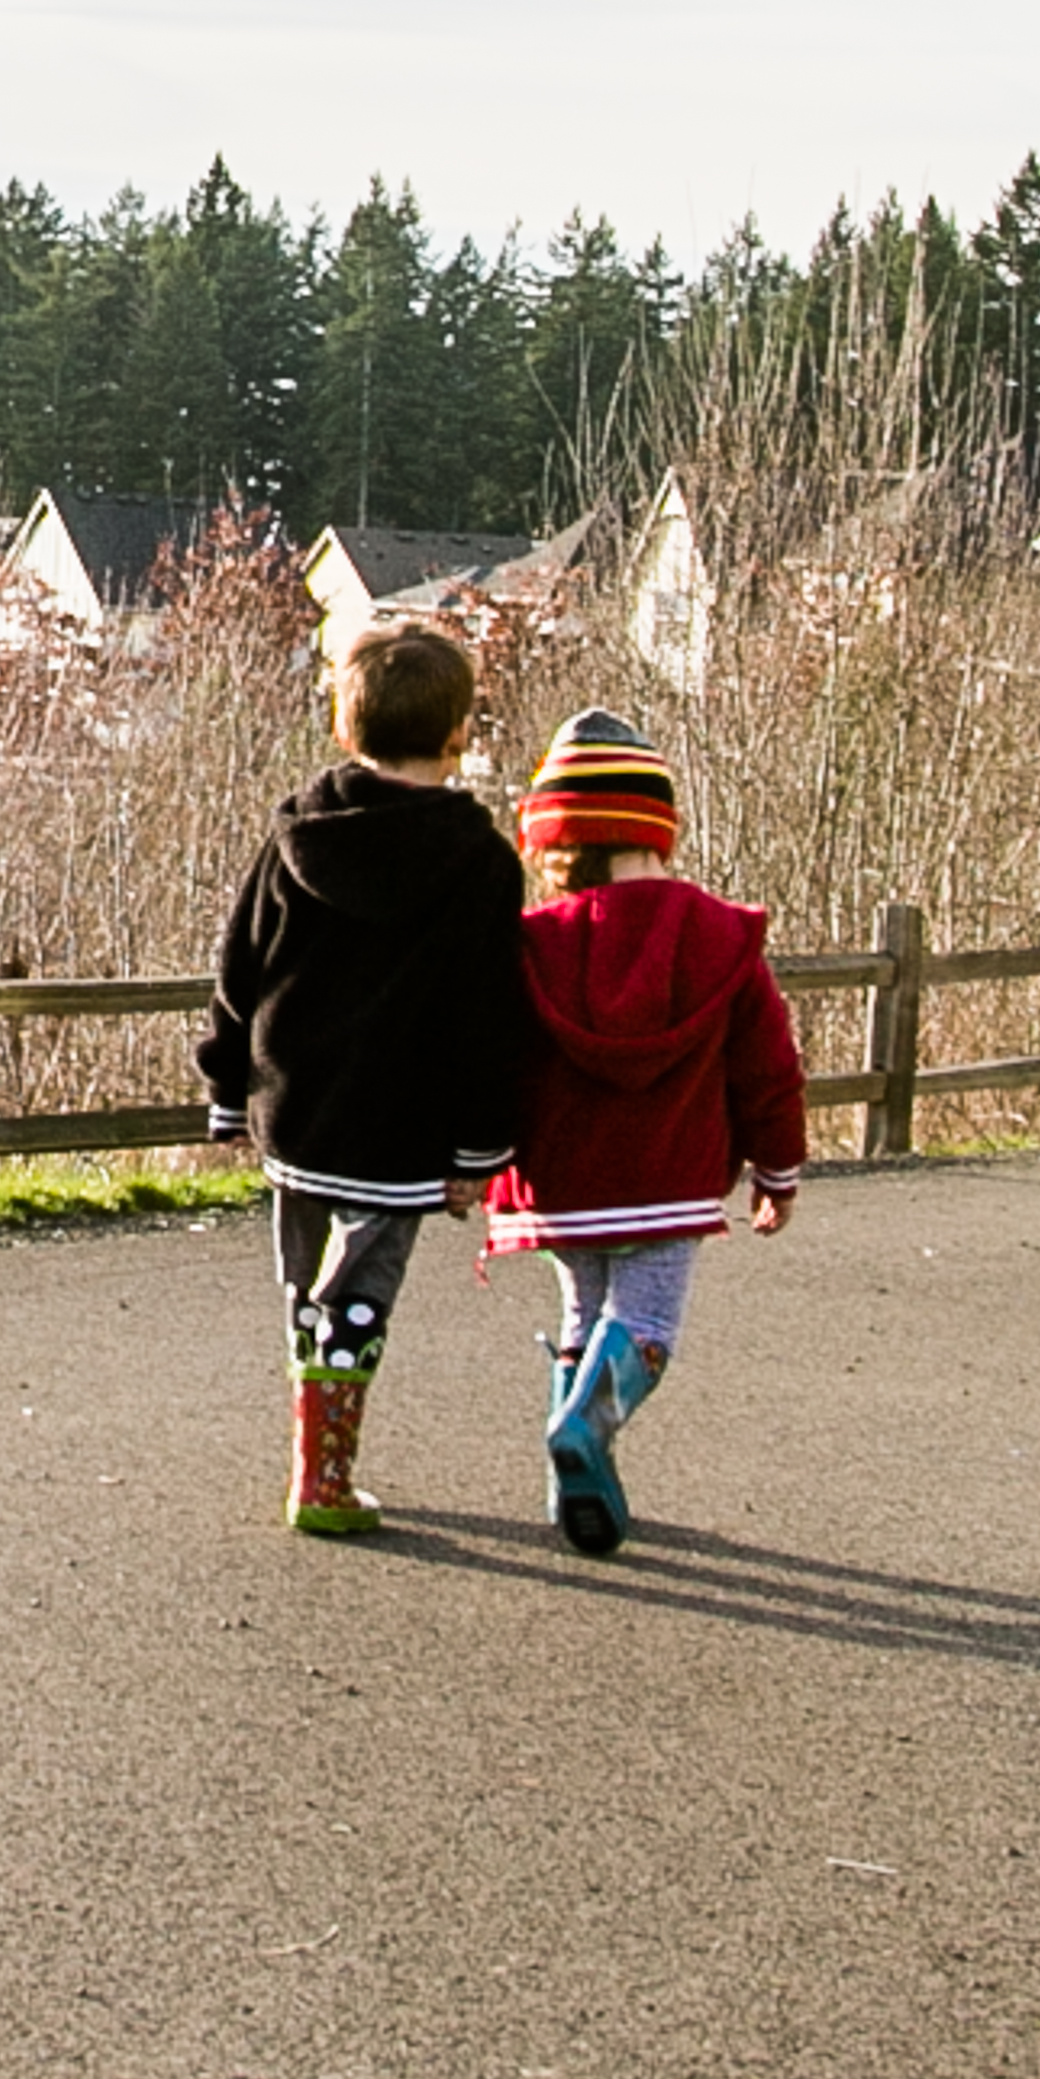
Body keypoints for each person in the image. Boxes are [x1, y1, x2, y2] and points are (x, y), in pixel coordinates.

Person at [199, 617, 537, 1539]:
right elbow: (484, 1014)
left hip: (295, 1109)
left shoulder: (298, 833)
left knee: (307, 1290)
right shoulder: (478, 864)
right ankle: (326, 1480)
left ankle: (315, 1450)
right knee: (358, 1297)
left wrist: (229, 1090)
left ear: (346, 725)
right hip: (400, 1127)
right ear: (460, 729)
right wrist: (479, 1146)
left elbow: (242, 966)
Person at [474, 710, 805, 1557]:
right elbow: (768, 1065)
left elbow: (494, 1062)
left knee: (585, 1312)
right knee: (646, 1322)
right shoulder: (720, 937)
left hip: (561, 1184)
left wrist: (474, 1160)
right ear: (660, 831)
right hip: (668, 1178)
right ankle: (583, 1430)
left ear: (555, 838)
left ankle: (571, 1482)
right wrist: (778, 1166)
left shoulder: (526, 946)